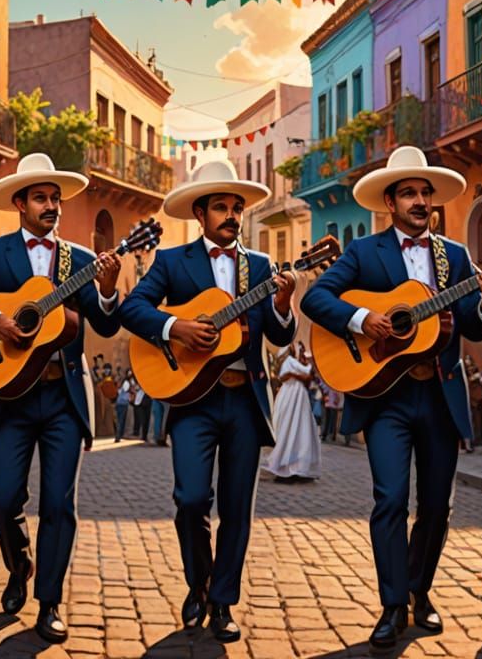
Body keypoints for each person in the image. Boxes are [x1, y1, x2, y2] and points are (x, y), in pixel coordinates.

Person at [302, 146, 482, 649]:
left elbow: (478, 329)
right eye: (409, 193)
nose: (419, 201)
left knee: (436, 505)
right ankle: (392, 605)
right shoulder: (364, 254)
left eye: (424, 193)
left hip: (439, 392)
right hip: (386, 397)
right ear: (389, 202)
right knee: (390, 499)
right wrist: (361, 320)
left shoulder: (454, 256)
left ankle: (420, 592)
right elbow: (315, 298)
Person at [0, 153, 122, 643]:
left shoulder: (80, 261)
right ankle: (19, 561)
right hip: (9, 398)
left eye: (56, 199)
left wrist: (107, 292)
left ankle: (50, 601)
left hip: (63, 397)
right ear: (20, 203)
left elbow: (106, 324)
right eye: (41, 198)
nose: (51, 206)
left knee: (60, 505)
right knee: (2, 500)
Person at [119, 158, 296, 643]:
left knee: (237, 507)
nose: (231, 215)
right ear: (200, 213)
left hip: (245, 401)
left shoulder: (261, 267)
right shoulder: (174, 262)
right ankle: (197, 582)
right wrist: (176, 327)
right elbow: (133, 309)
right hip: (192, 400)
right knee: (191, 498)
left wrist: (282, 305)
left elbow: (279, 336)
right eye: (221, 206)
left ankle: (222, 601)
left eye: (236, 207)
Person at [263, 343, 321, 482]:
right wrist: (306, 366)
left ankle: (296, 465)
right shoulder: (290, 362)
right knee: (294, 428)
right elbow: (306, 375)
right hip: (294, 396)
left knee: (296, 429)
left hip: (293, 396)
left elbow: (299, 377)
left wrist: (296, 373)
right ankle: (289, 466)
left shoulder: (289, 363)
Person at [319, 377, 344, 444]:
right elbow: (322, 385)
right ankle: (325, 434)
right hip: (328, 399)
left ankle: (331, 435)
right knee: (327, 418)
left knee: (332, 419)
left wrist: (337, 398)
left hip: (333, 400)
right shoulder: (327, 376)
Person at [114, 372, 132, 442]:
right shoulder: (126, 383)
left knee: (119, 420)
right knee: (121, 420)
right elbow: (126, 391)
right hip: (123, 404)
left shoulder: (121, 384)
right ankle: (118, 436)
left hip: (119, 403)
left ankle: (119, 436)